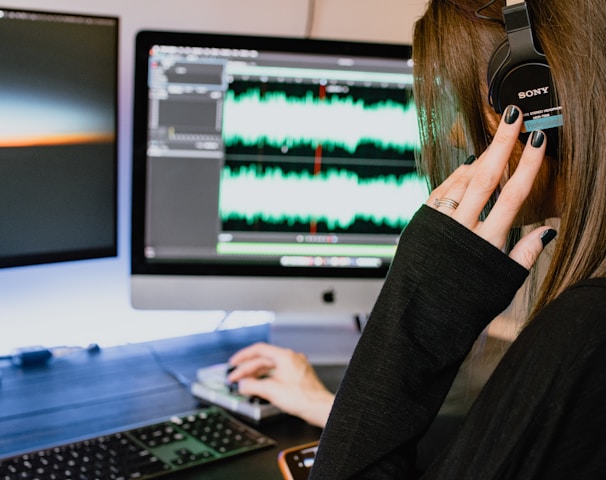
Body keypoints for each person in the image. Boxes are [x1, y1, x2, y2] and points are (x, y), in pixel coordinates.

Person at [300, 0, 606, 478]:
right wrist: (338, 410)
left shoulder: (585, 333)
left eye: (478, 101)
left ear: (539, 94)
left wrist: (419, 303)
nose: (458, 132)